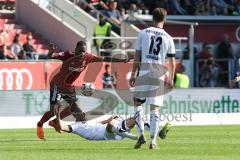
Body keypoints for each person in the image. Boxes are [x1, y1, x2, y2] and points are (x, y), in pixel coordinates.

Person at [37, 41, 127, 140]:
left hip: (67, 87)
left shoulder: (88, 57)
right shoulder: (68, 55)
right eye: (80, 51)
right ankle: (40, 124)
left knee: (77, 112)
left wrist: (121, 60)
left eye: (83, 52)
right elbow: (52, 55)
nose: (81, 54)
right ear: (75, 50)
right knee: (53, 110)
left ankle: (55, 122)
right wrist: (50, 51)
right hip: (56, 85)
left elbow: (105, 58)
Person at [129, 8, 176, 149]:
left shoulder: (143, 33)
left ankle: (142, 134)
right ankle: (153, 141)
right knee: (154, 109)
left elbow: (137, 56)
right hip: (159, 74)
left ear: (152, 18)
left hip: (143, 71)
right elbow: (172, 62)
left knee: (138, 103)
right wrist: (171, 79)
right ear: (164, 19)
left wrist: (133, 74)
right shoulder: (168, 37)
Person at [54, 103, 170, 141]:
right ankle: (136, 138)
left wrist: (108, 119)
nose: (83, 113)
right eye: (80, 113)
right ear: (76, 116)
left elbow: (99, 125)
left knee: (136, 118)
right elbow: (62, 127)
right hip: (106, 135)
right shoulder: (76, 127)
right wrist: (57, 115)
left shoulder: (86, 122)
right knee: (112, 125)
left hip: (110, 128)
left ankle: (158, 132)